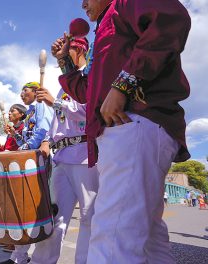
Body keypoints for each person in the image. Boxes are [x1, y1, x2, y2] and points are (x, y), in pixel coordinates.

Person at [55, 0, 191, 262]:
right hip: (127, 131)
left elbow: (170, 19)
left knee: (112, 236)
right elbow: (87, 91)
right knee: (149, 238)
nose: (82, 4)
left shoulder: (125, 3)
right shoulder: (102, 31)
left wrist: (123, 85)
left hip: (136, 122)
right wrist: (64, 61)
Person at [30, 36, 99, 264]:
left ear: (80, 50)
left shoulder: (92, 77)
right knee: (55, 217)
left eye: (67, 53)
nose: (62, 59)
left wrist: (55, 102)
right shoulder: (65, 86)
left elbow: (90, 111)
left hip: (84, 156)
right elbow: (56, 122)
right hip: (62, 158)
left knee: (89, 216)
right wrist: (47, 141)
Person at [0, 82, 53, 264]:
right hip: (28, 158)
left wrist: (24, 147)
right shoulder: (31, 112)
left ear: (36, 91)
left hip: (37, 160)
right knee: (23, 209)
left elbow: (43, 131)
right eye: (21, 91)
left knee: (35, 210)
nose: (22, 94)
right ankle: (18, 257)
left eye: (26, 91)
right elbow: (27, 138)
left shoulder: (41, 106)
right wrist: (15, 135)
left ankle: (36, 258)